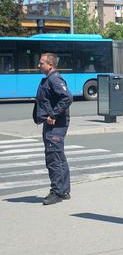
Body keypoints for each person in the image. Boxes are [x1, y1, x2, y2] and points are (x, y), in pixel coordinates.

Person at [33, 52, 73, 205]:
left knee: (53, 159)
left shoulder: (54, 79)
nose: (39, 65)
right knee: (59, 157)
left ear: (50, 65)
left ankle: (56, 192)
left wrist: (53, 115)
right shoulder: (50, 79)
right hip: (52, 124)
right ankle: (63, 190)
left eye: (41, 63)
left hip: (55, 125)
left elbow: (67, 97)